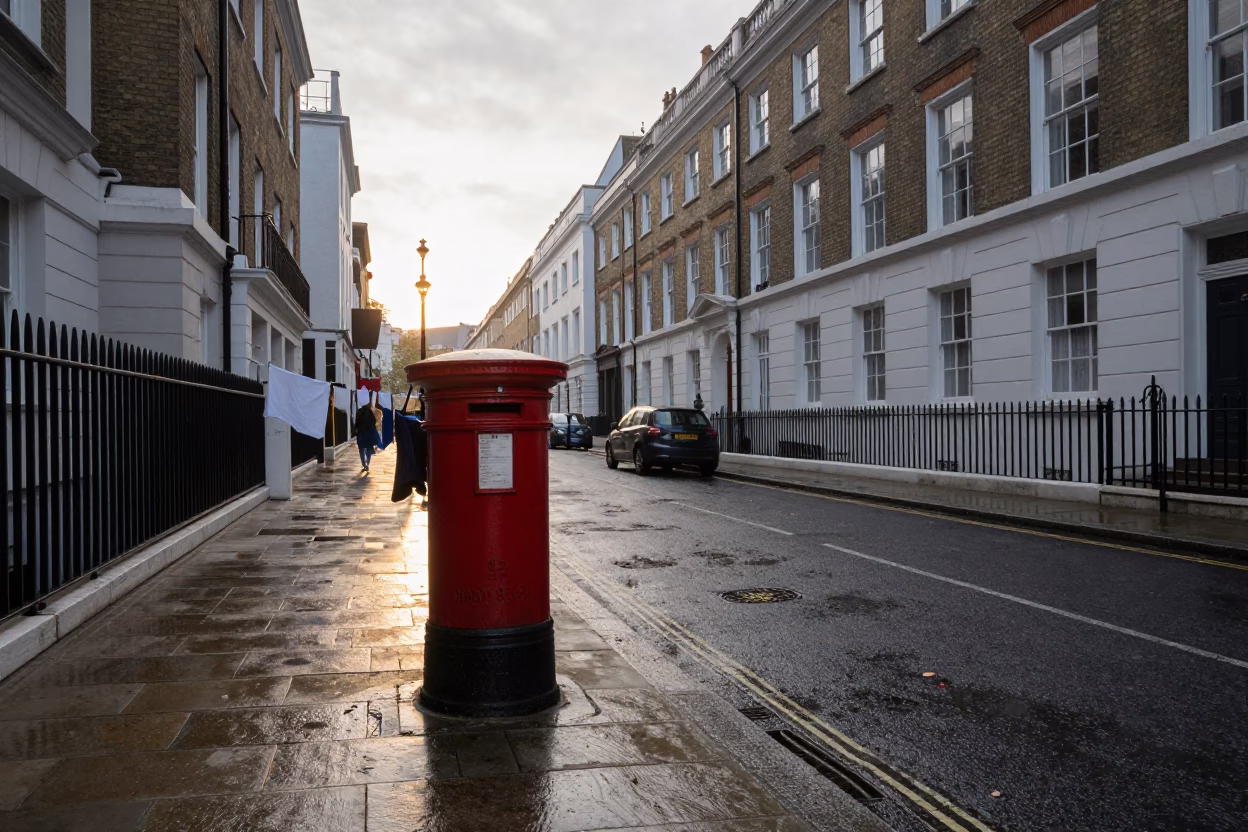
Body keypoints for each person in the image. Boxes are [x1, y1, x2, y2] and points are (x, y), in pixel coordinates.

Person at [356, 402, 381, 472]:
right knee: (368, 449)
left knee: (361, 449)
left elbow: (356, 423)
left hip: (361, 432)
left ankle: (364, 465)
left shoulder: (359, 411)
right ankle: (367, 463)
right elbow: (374, 421)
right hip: (368, 433)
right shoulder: (370, 412)